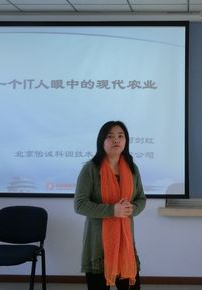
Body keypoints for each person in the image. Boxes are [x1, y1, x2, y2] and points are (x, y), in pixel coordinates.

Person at [74, 121, 146, 290]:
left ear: (126, 141)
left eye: (121, 136)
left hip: (125, 243)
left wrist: (132, 209)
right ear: (102, 141)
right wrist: (112, 210)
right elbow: (80, 204)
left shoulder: (132, 168)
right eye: (110, 136)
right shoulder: (90, 169)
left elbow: (141, 199)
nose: (116, 140)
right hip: (98, 244)